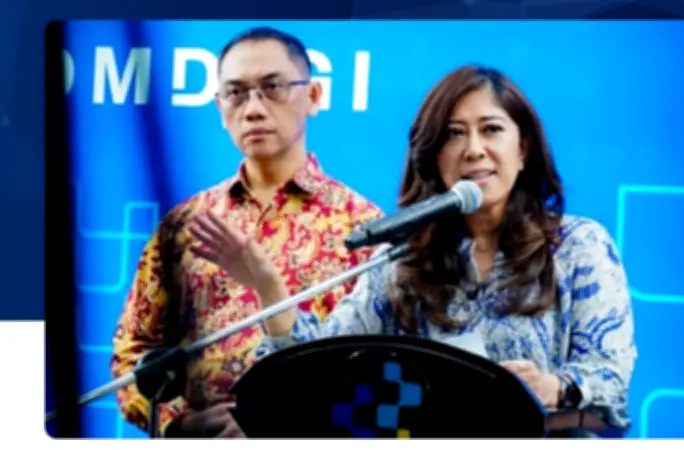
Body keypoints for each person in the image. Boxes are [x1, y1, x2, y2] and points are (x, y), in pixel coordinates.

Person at [190, 65, 637, 437]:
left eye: (491, 130)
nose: (473, 150)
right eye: (454, 135)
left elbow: (611, 382)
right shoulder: (403, 261)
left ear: (522, 149)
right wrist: (268, 286)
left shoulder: (577, 245)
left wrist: (553, 386)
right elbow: (318, 367)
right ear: (434, 158)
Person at [110, 26, 383, 438]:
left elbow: (382, 367)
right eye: (236, 93)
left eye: (273, 88)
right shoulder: (185, 225)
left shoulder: (363, 227)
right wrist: (181, 423)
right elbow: (132, 351)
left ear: (313, 96)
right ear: (220, 108)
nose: (253, 109)